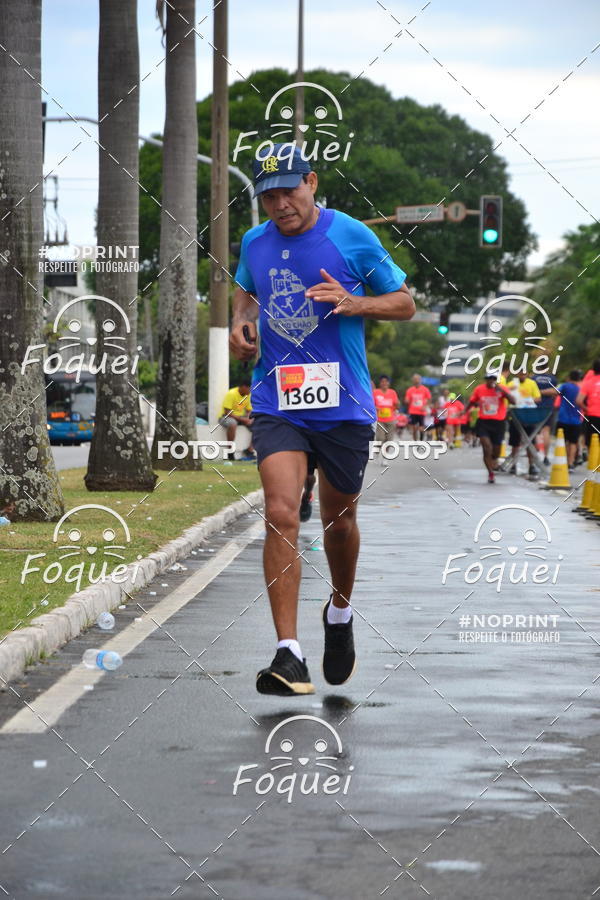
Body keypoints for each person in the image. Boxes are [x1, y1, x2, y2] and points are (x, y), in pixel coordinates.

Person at [229, 143, 415, 696]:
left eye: (289, 191)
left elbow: (404, 303)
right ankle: (289, 654)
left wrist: (357, 303)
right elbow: (246, 291)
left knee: (339, 521)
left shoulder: (351, 235)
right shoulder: (254, 241)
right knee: (280, 512)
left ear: (311, 182)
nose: (280, 204)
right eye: (269, 197)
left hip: (343, 403)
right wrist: (241, 323)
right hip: (277, 399)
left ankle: (339, 610)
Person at [467, 374, 514, 482]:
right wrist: (464, 411)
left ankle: (493, 460)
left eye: (494, 379)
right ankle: (490, 473)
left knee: (496, 451)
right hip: (484, 422)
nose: (491, 381)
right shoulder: (479, 389)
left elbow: (513, 401)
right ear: (486, 380)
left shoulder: (502, 389)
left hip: (499, 423)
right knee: (487, 448)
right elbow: (472, 401)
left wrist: (502, 391)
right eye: (489, 379)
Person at [506, 371, 542, 476]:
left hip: (528, 416)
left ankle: (531, 465)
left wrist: (527, 400)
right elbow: (506, 398)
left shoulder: (532, 383)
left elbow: (538, 398)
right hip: (515, 417)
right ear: (517, 374)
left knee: (530, 441)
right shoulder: (511, 384)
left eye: (524, 374)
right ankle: (513, 465)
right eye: (520, 374)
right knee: (515, 442)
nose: (522, 376)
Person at [219, 381, 255, 460]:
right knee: (232, 423)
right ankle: (230, 452)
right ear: (244, 387)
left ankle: (249, 450)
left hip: (240, 417)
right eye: (250, 389)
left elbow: (249, 410)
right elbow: (227, 412)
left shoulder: (248, 395)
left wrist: (248, 418)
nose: (250, 391)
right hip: (226, 417)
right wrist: (243, 419)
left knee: (258, 424)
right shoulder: (231, 393)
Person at [557, 370, 583, 469]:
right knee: (573, 442)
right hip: (576, 420)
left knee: (563, 442)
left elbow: (555, 392)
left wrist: (542, 391)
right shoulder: (581, 388)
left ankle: (563, 461)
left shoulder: (565, 386)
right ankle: (570, 463)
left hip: (563, 419)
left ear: (569, 377)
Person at [533, 371, 558, 465]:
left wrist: (538, 392)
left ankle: (534, 456)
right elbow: (555, 392)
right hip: (548, 408)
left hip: (535, 407)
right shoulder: (553, 379)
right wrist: (547, 392)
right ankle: (545, 457)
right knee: (546, 431)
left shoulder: (533, 378)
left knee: (534, 431)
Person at [576, 359, 600, 445]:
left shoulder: (588, 382)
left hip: (592, 415)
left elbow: (579, 400)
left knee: (591, 442)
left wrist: (587, 409)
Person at [373, 374, 399, 443]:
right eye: (382, 381)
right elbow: (371, 404)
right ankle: (381, 447)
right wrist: (375, 407)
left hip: (391, 419)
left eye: (386, 381)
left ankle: (386, 450)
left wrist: (397, 406)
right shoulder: (375, 392)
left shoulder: (393, 392)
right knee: (380, 438)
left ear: (388, 383)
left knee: (389, 440)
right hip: (379, 419)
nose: (384, 383)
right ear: (380, 383)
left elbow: (396, 405)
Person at [405, 374, 431, 441]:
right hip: (413, 411)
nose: (416, 381)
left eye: (418, 379)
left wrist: (425, 406)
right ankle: (415, 441)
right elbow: (407, 399)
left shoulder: (425, 389)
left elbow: (429, 399)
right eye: (415, 379)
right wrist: (406, 400)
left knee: (421, 428)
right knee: (414, 428)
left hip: (421, 411)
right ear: (413, 381)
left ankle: (421, 440)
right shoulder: (410, 390)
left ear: (420, 380)